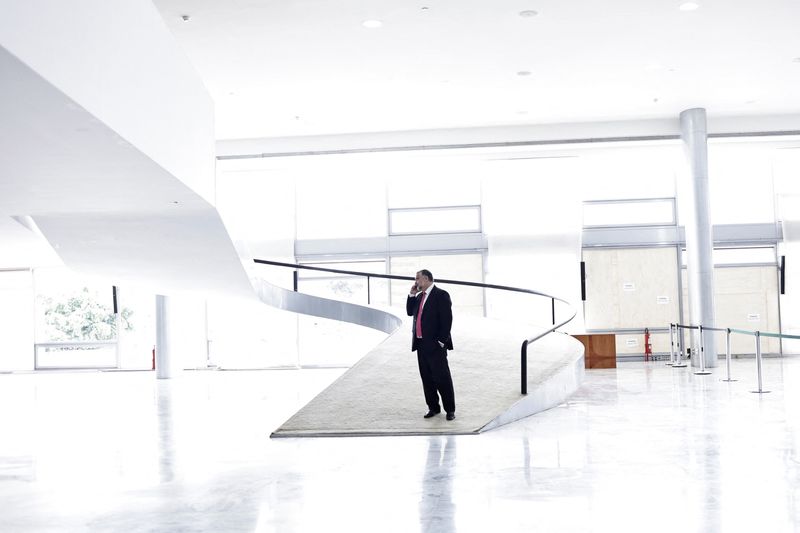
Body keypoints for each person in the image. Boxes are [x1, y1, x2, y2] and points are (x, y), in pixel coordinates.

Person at [406, 269, 456, 420]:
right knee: (426, 378)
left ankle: (450, 410)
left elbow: (447, 320)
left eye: (418, 279)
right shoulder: (419, 296)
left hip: (435, 345)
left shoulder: (441, 295)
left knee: (442, 377)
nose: (416, 282)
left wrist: (441, 341)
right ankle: (433, 407)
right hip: (421, 344)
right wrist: (411, 294)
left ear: (426, 279)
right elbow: (409, 312)